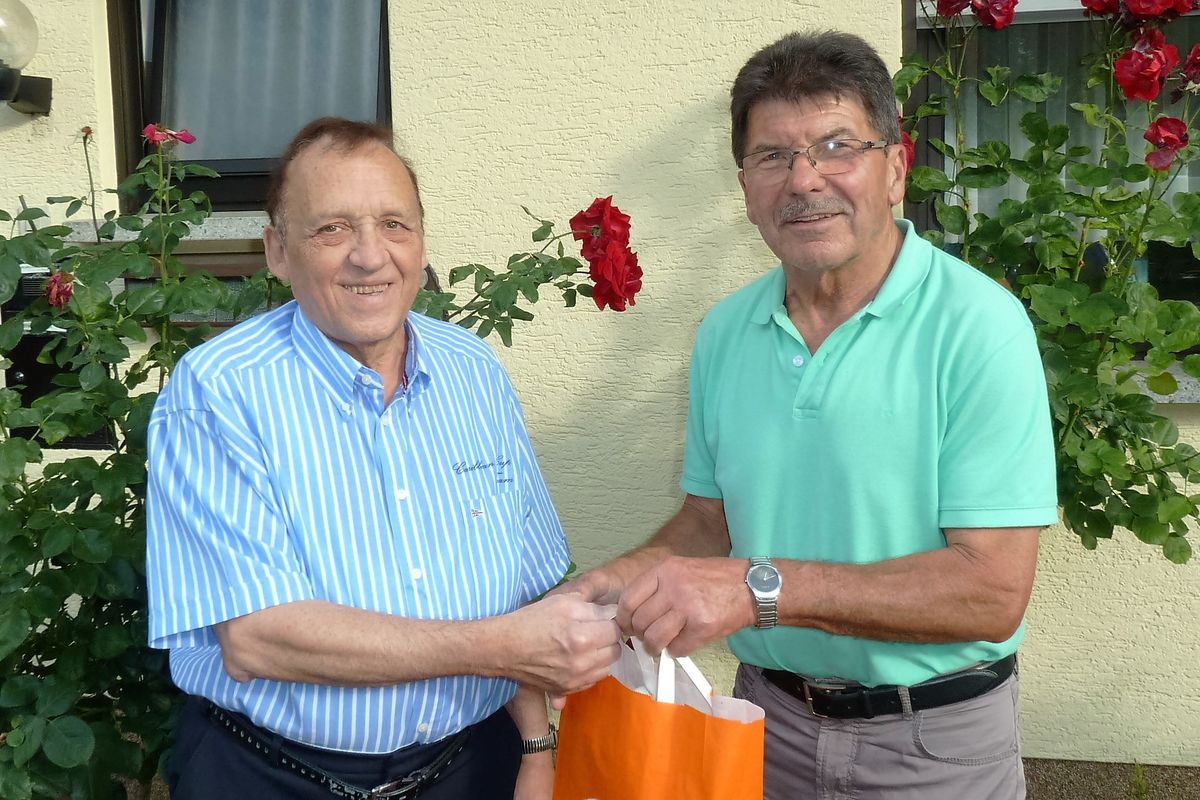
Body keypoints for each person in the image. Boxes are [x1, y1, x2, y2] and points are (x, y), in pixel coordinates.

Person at [564, 31, 1057, 800]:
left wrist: (758, 589)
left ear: (895, 168)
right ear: (745, 187)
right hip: (761, 728)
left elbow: (991, 593)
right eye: (772, 156)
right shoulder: (726, 331)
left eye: (836, 146)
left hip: (930, 745)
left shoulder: (979, 326)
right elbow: (710, 520)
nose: (803, 179)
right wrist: (608, 588)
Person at [146, 117, 621, 800]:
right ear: (277, 251)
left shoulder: (473, 370)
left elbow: (521, 595)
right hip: (272, 776)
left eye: (394, 224)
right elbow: (257, 637)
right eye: (332, 229)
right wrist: (500, 645)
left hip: (471, 768)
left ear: (421, 242)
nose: (370, 256)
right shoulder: (219, 391)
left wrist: (536, 750)